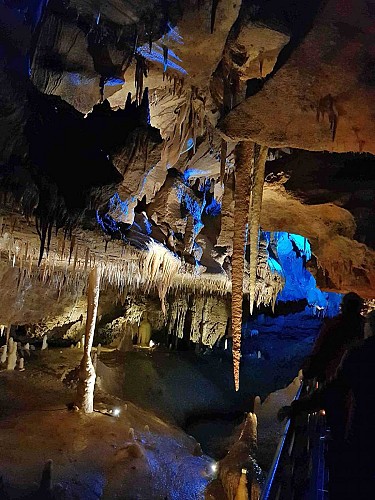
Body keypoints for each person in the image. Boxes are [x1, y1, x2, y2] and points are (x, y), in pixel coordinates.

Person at [279, 310, 375, 499]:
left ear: (370, 328)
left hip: (361, 434)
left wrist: (298, 407)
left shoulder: (359, 354)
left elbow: (334, 389)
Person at [303, 292, 365, 383]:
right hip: (360, 379)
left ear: (343, 307)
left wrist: (309, 369)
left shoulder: (333, 325)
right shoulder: (366, 326)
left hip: (333, 376)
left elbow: (319, 349)